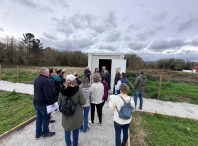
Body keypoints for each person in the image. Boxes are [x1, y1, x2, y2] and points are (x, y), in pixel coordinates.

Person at [58, 74, 86, 146]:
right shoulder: (78, 90)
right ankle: (75, 144)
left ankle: (68, 144)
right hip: (76, 114)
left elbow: (59, 102)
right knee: (75, 130)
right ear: (74, 80)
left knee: (67, 130)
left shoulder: (62, 89)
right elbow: (83, 102)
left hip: (66, 114)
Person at [33, 67, 56, 139]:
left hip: (36, 102)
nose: (49, 74)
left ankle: (38, 133)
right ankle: (45, 132)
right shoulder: (46, 81)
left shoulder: (36, 79)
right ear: (46, 73)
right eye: (48, 72)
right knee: (46, 118)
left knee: (39, 117)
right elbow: (48, 94)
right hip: (43, 103)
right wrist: (52, 102)